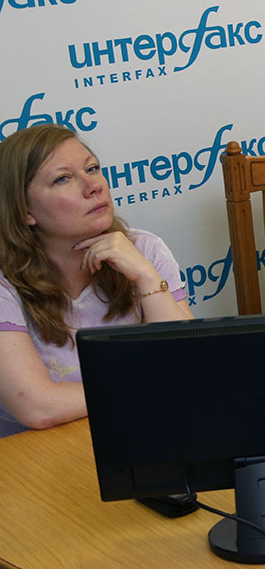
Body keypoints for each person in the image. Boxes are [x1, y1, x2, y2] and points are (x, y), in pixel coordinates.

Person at [0, 125, 192, 438]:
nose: (93, 186)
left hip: (135, 432)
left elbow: (189, 365)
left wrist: (145, 277)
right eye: (63, 178)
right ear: (25, 211)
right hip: (35, 453)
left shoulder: (144, 249)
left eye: (92, 168)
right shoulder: (4, 281)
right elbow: (38, 407)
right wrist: (152, 382)